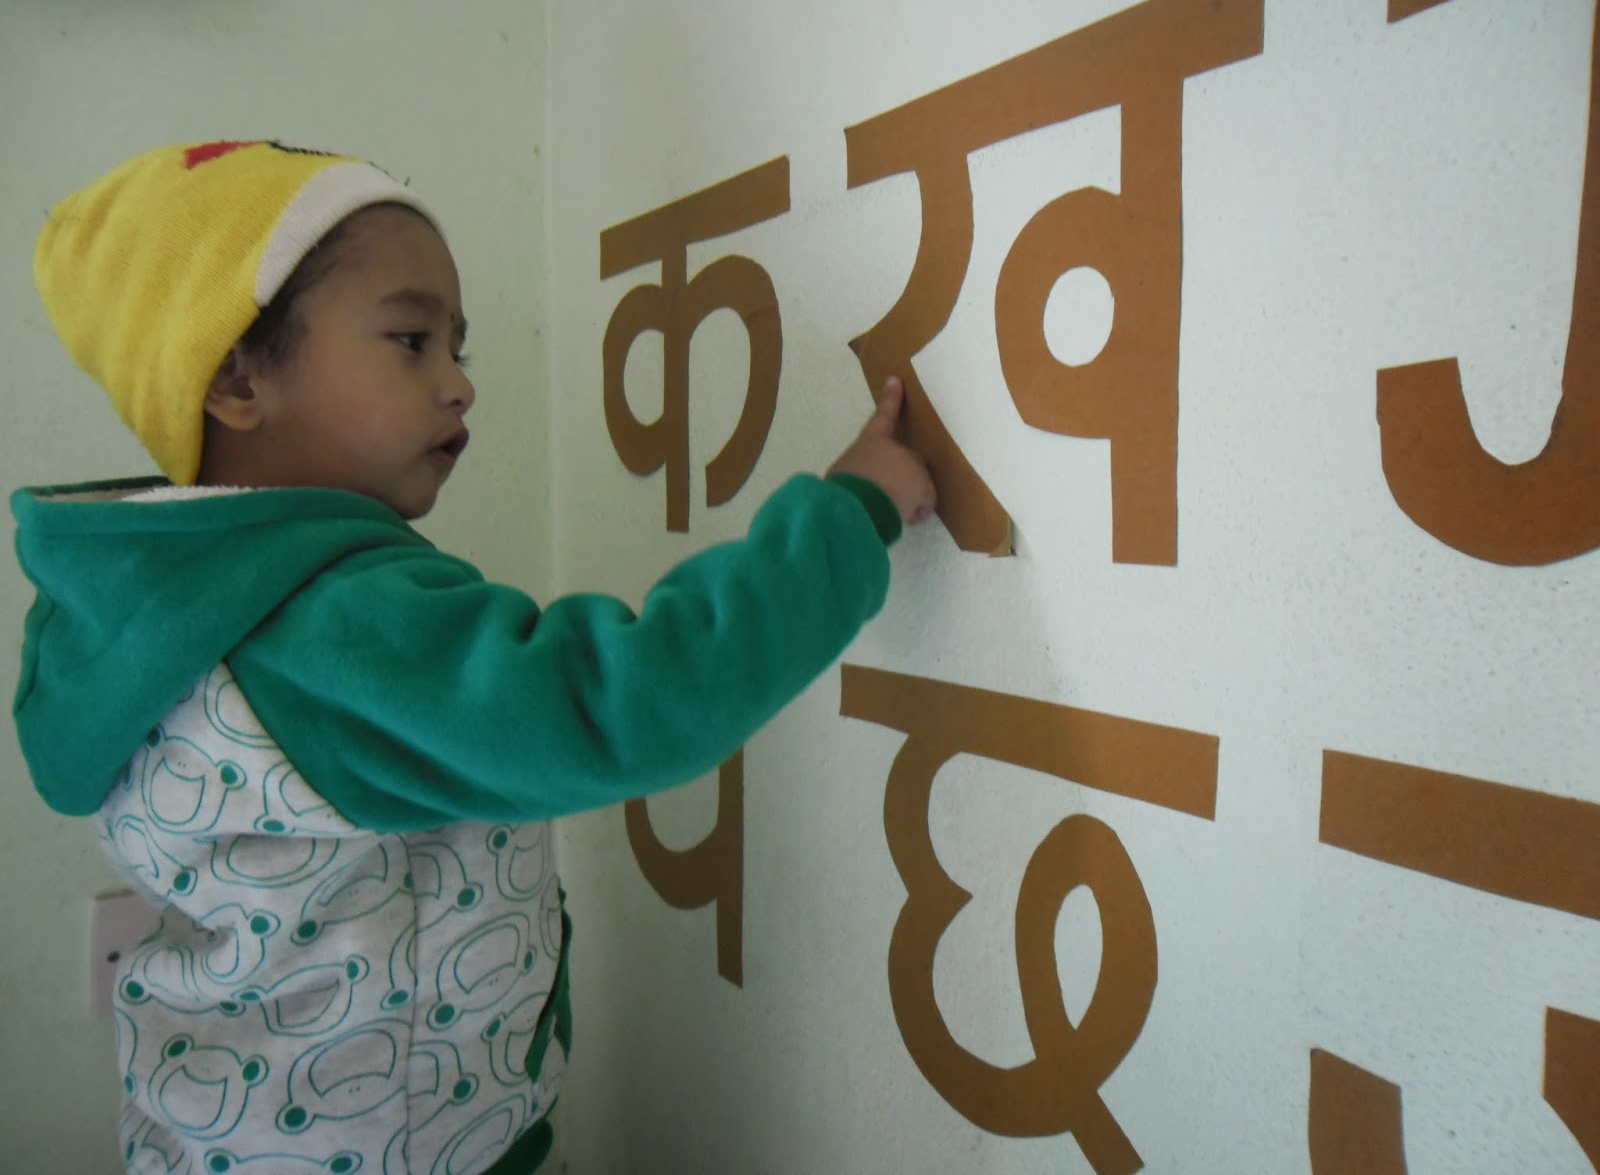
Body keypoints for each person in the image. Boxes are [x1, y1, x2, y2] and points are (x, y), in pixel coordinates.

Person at [14, 139, 934, 1175]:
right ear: (234, 378)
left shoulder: (141, 615)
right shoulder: (329, 621)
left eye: (460, 346)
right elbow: (622, 701)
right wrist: (848, 517)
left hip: (210, 1138)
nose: (458, 385)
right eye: (410, 339)